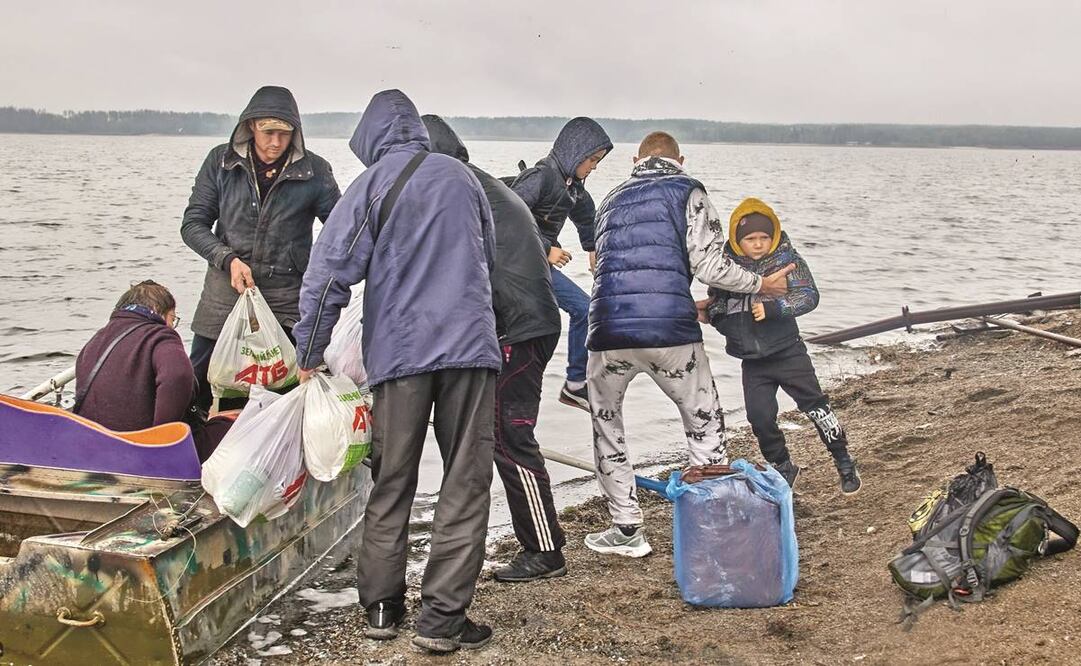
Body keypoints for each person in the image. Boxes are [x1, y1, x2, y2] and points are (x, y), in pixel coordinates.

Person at [292, 91, 500, 653]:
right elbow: (491, 258)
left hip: (402, 356)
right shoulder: (464, 179)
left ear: (370, 138)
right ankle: (442, 619)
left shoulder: (371, 184)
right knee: (465, 480)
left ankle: (382, 607)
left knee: (391, 478)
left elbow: (330, 271)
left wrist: (308, 349)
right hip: (470, 351)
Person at [584, 132, 794, 557]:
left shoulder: (608, 200)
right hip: (669, 331)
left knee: (607, 425)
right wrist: (760, 286)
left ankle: (626, 531)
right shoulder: (687, 190)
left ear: (635, 161)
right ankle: (711, 519)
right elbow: (709, 264)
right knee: (703, 420)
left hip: (606, 329)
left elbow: (602, 266)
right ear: (680, 159)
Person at [422, 114, 568, 582]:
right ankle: (535, 543)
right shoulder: (481, 184)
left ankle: (545, 551)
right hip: (528, 323)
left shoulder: (456, 192)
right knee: (504, 435)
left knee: (509, 437)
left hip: (518, 331)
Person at [180, 85, 340, 411]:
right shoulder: (220, 163)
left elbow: (341, 230)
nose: (276, 142)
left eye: (285, 133)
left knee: (286, 391)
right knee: (197, 380)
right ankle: (191, 445)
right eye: (268, 131)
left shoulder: (315, 171)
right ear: (251, 126)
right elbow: (192, 225)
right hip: (225, 294)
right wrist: (228, 259)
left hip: (286, 299)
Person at [707, 198, 862, 495]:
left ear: (774, 235)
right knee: (759, 418)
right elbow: (716, 303)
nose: (758, 244)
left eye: (764, 237)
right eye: (750, 238)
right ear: (738, 240)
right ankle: (782, 465)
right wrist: (722, 322)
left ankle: (843, 460)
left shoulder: (787, 260)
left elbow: (809, 296)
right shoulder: (726, 268)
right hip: (752, 361)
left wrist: (776, 308)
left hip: (789, 352)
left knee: (817, 409)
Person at [509, 117, 613, 412]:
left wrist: (592, 247)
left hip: (537, 265)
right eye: (591, 159)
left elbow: (584, 213)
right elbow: (505, 217)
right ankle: (573, 384)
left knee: (584, 310)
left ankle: (575, 383)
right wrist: (546, 249)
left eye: (597, 161)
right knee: (581, 309)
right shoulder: (539, 177)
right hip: (518, 263)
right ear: (574, 151)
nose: (593, 166)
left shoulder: (573, 186)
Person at [73, 280, 233, 460]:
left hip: (98, 447)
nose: (172, 326)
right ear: (158, 310)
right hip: (147, 452)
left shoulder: (97, 339)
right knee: (243, 426)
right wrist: (162, 437)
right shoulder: (160, 336)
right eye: (172, 318)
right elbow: (177, 376)